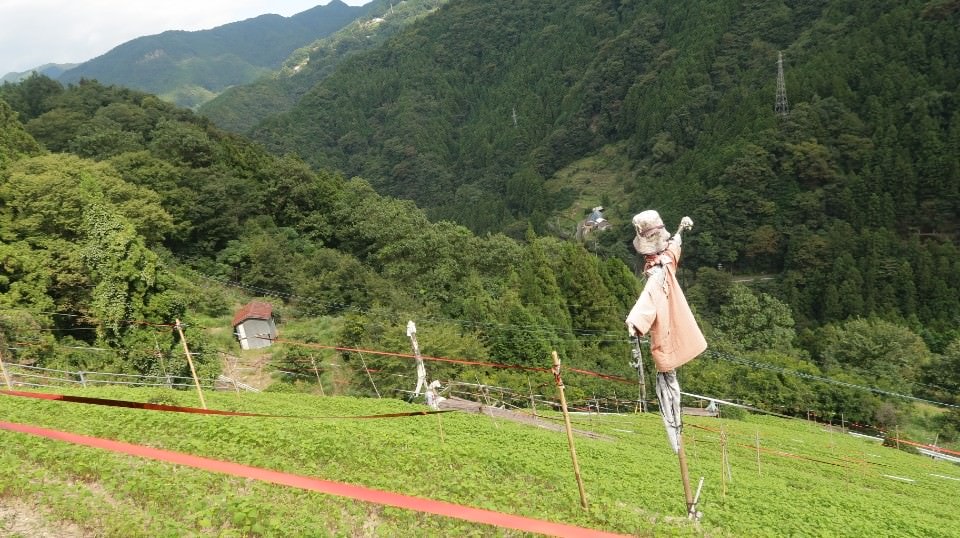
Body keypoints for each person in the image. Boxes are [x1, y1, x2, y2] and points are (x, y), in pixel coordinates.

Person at [625, 210, 706, 452]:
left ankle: (676, 437)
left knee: (669, 388)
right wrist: (681, 229)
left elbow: (647, 301)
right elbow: (674, 246)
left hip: (669, 334)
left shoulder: (660, 269)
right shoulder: (664, 264)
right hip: (676, 332)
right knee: (670, 387)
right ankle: (676, 438)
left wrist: (634, 323)